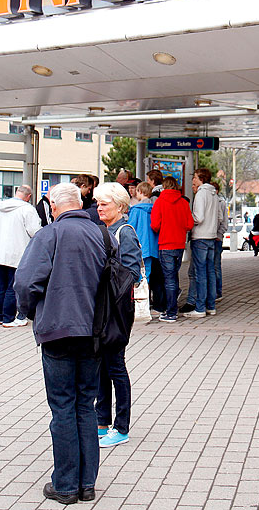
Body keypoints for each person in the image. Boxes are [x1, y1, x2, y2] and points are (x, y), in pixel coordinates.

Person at [14, 182, 108, 505]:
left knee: (63, 407)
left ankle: (66, 484)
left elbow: (25, 282)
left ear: (54, 206)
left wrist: (28, 312)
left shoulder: (49, 235)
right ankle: (87, 484)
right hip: (94, 333)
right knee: (86, 405)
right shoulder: (102, 234)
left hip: (57, 331)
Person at [94, 182, 142, 449]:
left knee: (115, 367)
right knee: (100, 365)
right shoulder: (102, 230)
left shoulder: (125, 232)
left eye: (105, 204)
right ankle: (102, 422)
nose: (99, 207)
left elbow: (132, 272)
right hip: (101, 309)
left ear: (120, 206)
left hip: (117, 310)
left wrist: (105, 276)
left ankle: (121, 427)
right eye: (98, 203)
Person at [0, 185, 41, 328]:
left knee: (0, 287)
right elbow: (35, 231)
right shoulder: (28, 209)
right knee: (12, 288)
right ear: (28, 197)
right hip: (17, 254)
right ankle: (9, 318)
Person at [151, 177, 194, 322]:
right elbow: (189, 224)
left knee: (169, 279)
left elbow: (155, 225)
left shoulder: (160, 202)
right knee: (174, 277)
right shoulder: (183, 202)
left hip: (165, 243)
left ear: (164, 187)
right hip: (179, 244)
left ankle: (171, 312)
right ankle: (171, 309)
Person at [187, 168, 219, 318]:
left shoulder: (201, 193)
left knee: (200, 273)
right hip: (212, 236)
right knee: (210, 271)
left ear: (200, 178)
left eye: (194, 177)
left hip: (200, 236)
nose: (193, 180)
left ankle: (199, 307)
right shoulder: (214, 194)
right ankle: (210, 306)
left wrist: (188, 219)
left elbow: (198, 217)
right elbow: (218, 216)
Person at [128, 182, 163, 315]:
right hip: (153, 247)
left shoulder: (136, 210)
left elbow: (130, 228)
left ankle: (141, 304)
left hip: (139, 247)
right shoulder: (155, 208)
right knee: (148, 276)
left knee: (140, 277)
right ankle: (149, 303)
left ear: (140, 192)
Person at [213, 180, 227, 302]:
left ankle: (218, 291)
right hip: (211, 237)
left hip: (216, 238)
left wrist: (219, 234)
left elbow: (223, 221)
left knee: (216, 265)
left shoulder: (221, 203)